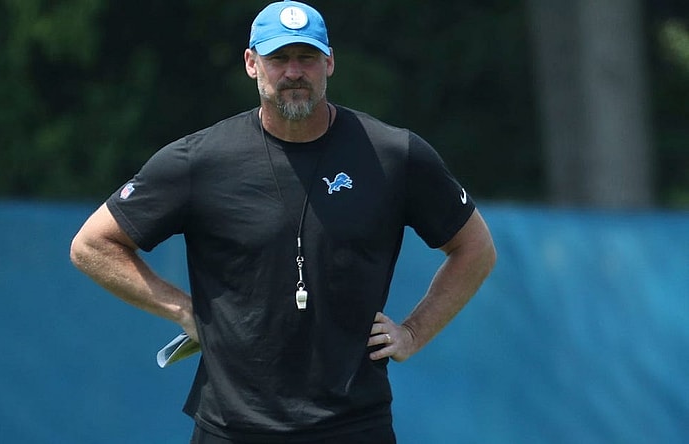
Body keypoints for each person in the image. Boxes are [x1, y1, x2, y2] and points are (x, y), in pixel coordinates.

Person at [70, 1, 496, 443]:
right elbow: (92, 244)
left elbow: (475, 248)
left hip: (354, 425)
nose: (294, 72)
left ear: (329, 63)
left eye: (306, 57)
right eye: (278, 58)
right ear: (251, 63)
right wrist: (182, 309)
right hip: (232, 428)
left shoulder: (392, 154)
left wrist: (413, 332)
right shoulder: (200, 160)